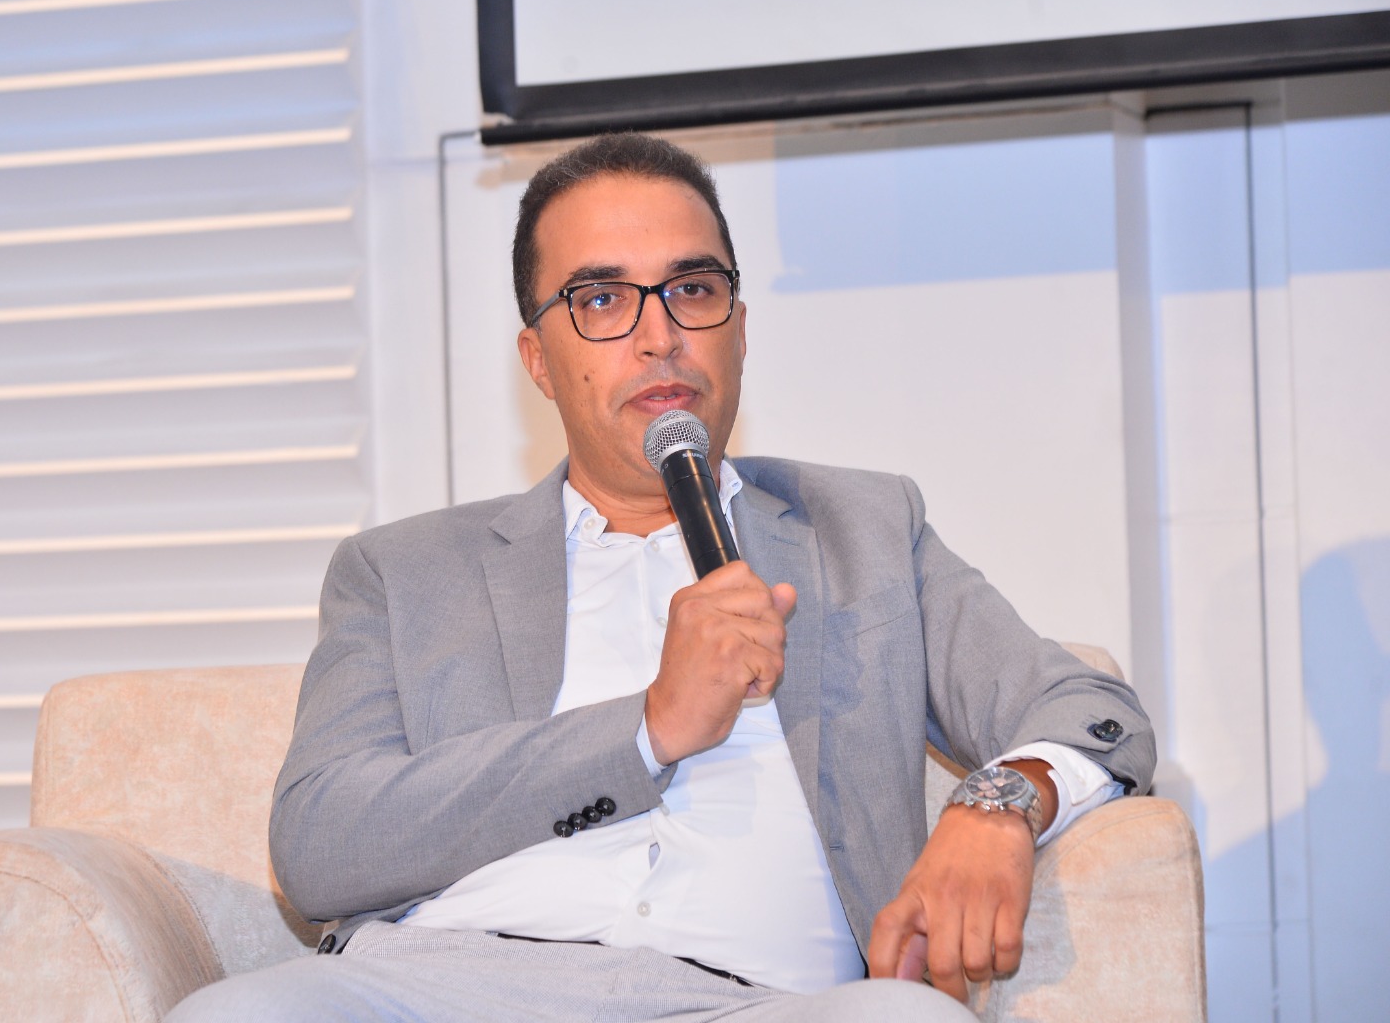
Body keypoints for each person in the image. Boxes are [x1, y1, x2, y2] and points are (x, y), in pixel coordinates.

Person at [167, 133, 1154, 1022]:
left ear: (738, 326)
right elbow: (320, 846)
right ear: (538, 359)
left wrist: (997, 802)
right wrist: (648, 728)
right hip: (438, 988)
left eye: (692, 288)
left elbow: (1093, 712)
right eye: (600, 299)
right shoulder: (405, 568)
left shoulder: (861, 530)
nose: (659, 335)